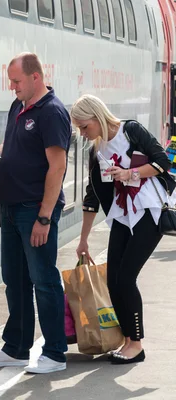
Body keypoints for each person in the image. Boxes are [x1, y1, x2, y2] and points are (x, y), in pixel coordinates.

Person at [0, 52, 71, 374]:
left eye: (16, 81)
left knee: (43, 279)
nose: (12, 87)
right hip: (10, 206)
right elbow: (12, 145)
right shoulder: (19, 106)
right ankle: (17, 348)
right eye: (11, 82)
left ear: (36, 77)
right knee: (14, 280)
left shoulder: (52, 112)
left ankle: (55, 353)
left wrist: (44, 217)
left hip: (33, 210)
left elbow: (57, 167)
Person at [70, 94, 175, 364]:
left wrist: (131, 174)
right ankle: (127, 340)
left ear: (97, 116)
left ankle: (136, 344)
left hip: (148, 213)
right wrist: (83, 240)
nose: (83, 133)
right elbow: (92, 195)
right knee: (113, 280)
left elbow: (164, 162)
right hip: (122, 217)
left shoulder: (130, 131)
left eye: (84, 126)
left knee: (126, 278)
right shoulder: (96, 150)